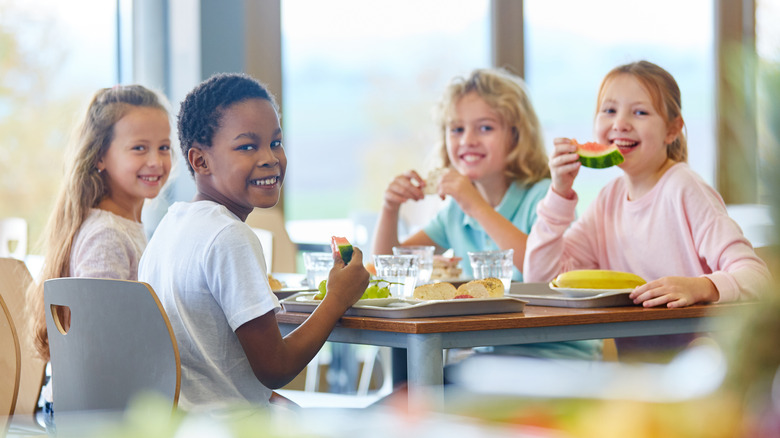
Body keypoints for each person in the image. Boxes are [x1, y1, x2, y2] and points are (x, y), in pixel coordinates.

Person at [138, 73, 369, 411]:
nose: (269, 158)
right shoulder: (230, 236)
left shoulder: (170, 224)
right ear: (200, 160)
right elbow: (275, 368)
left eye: (276, 142)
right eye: (247, 146)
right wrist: (337, 298)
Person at [524, 60, 771, 354]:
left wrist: (701, 287)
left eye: (640, 112)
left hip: (708, 369)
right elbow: (540, 279)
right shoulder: (607, 200)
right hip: (643, 375)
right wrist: (559, 193)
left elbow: (756, 277)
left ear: (672, 129)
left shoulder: (683, 188)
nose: (620, 124)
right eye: (609, 110)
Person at [373, 68, 601, 361]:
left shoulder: (545, 196)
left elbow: (543, 271)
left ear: (516, 136)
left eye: (485, 128)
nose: (467, 140)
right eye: (456, 129)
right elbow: (388, 272)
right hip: (491, 357)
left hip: (557, 355)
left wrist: (475, 206)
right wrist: (390, 209)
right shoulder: (455, 212)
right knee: (413, 395)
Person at [27, 84, 172, 420]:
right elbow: (101, 344)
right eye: (139, 148)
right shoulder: (106, 235)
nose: (156, 161)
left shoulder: (123, 225)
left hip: (109, 403)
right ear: (100, 157)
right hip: (102, 413)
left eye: (163, 147)